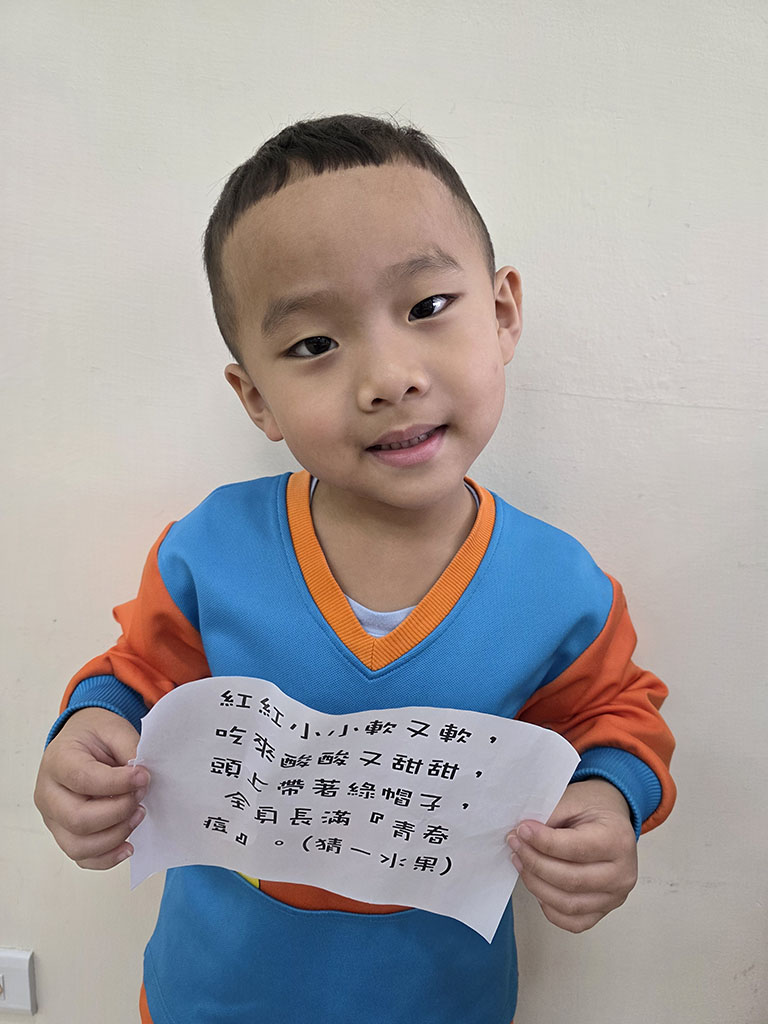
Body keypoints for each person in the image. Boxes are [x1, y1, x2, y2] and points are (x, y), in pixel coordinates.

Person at [34, 113, 676, 1024]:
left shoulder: (561, 590)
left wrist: (610, 798)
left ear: (502, 314)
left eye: (426, 307)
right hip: (212, 992)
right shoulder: (209, 552)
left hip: (440, 997)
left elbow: (613, 721)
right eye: (313, 345)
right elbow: (135, 678)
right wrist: (88, 735)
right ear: (256, 397)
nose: (388, 377)